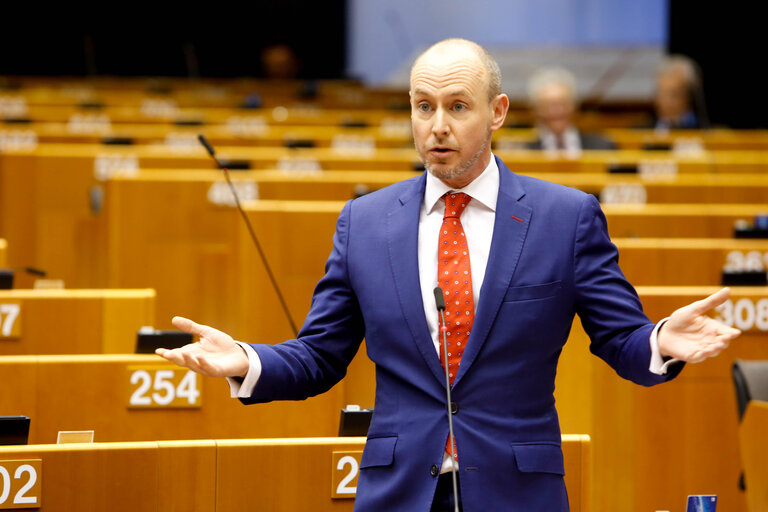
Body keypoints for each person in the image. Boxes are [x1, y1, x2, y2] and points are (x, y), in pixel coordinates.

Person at [157, 39, 740, 511]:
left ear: (498, 112)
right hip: (400, 489)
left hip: (518, 490)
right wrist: (247, 360)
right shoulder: (366, 222)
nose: (437, 125)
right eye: (423, 106)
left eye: (458, 106)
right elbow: (320, 355)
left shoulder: (566, 218)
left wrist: (660, 341)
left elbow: (619, 339)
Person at [524, 67, 617, 154]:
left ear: (574, 105)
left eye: (563, 103)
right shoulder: (525, 151)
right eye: (548, 105)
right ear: (535, 110)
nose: (557, 111)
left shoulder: (602, 147)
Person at [650, 55, 707, 131]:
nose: (667, 102)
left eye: (674, 95)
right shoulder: (637, 135)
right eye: (662, 94)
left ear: (690, 96)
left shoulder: (708, 135)